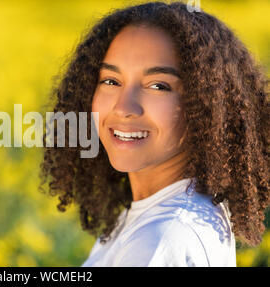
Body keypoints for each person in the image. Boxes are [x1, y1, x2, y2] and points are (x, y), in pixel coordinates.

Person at [40, 1, 269, 266]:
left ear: (206, 105)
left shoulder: (161, 241)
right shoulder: (155, 214)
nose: (124, 108)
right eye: (111, 81)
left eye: (158, 86)